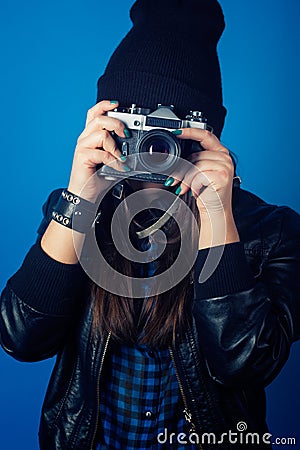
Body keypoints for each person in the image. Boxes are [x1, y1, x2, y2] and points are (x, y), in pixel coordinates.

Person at [1, 0, 300, 449]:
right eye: (139, 125)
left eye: (171, 131)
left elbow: (245, 364)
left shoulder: (273, 231)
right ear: (109, 123)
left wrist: (217, 212)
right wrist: (79, 197)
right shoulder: (79, 212)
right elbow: (21, 339)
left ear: (206, 134)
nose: (154, 147)